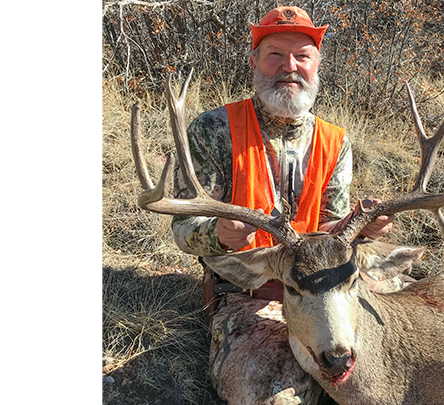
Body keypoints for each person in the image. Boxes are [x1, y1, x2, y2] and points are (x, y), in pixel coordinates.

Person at [170, 6, 400, 405]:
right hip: (248, 290)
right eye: (275, 54)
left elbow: (329, 226)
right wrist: (218, 233)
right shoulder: (213, 129)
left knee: (401, 370)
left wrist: (360, 228)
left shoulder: (334, 141)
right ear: (254, 61)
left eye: (302, 56)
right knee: (277, 398)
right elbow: (183, 229)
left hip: (328, 290)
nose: (288, 66)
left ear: (317, 65)